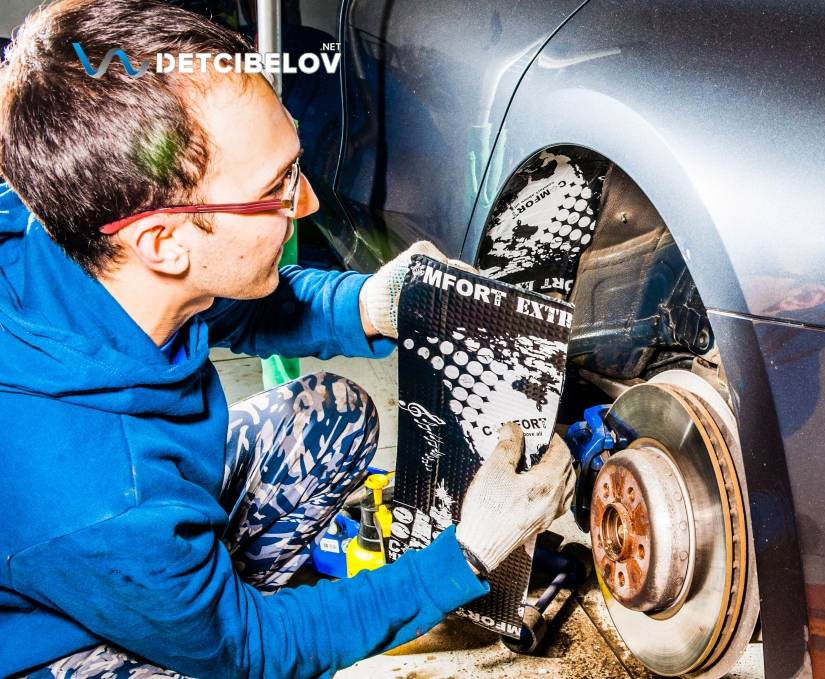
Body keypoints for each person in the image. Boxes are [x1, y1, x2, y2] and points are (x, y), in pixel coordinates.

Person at [0, 1, 576, 677]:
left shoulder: (65, 230)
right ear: (162, 241)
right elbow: (247, 648)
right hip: (56, 630)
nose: (306, 203)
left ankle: (195, 598)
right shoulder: (102, 501)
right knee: (231, 648)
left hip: (127, 540)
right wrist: (465, 557)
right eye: (276, 188)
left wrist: (369, 304)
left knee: (330, 416)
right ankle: (185, 619)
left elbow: (223, 303)